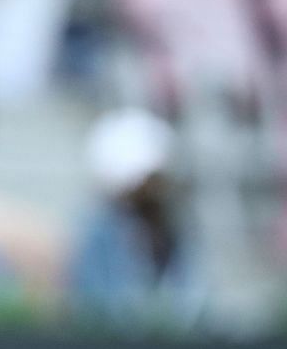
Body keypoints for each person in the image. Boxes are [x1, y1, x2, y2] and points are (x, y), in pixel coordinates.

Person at [68, 108, 209, 331]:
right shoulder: (98, 232)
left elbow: (195, 299)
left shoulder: (175, 230)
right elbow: (97, 306)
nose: (154, 190)